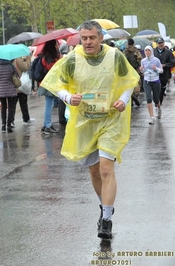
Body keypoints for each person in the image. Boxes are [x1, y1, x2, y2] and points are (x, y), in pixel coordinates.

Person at [41, 20, 139, 239]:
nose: (87, 42)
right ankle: (105, 205)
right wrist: (69, 97)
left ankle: (106, 219)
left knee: (106, 169)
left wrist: (123, 100)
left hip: (111, 120)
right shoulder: (73, 59)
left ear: (101, 37)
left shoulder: (115, 56)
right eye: (84, 38)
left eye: (92, 38)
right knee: (94, 171)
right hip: (86, 121)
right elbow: (58, 85)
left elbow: (128, 82)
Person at [37, 39, 62, 135]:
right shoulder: (54, 57)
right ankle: (47, 125)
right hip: (51, 83)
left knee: (49, 104)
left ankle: (47, 124)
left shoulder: (44, 57)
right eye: (56, 44)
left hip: (45, 82)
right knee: (49, 105)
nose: (57, 46)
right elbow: (58, 68)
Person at [0, 58, 18, 133]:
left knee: (3, 107)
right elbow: (16, 75)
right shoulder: (11, 66)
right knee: (11, 108)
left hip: (1, 90)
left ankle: (3, 125)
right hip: (10, 90)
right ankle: (9, 125)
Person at [140, 46, 163, 124]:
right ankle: (152, 117)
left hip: (155, 81)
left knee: (156, 99)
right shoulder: (143, 61)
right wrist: (141, 70)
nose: (147, 52)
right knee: (149, 98)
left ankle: (159, 108)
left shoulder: (156, 60)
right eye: (146, 50)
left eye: (149, 50)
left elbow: (161, 71)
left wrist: (156, 68)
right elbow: (143, 71)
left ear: (151, 51)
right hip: (146, 81)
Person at [13, 55, 35, 125]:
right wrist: (28, 59)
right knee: (23, 103)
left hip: (13, 84)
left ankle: (11, 121)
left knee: (13, 104)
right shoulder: (18, 58)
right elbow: (25, 67)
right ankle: (26, 119)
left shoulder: (10, 58)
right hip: (20, 83)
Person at [153, 37, 175, 107]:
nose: (160, 44)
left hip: (165, 74)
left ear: (164, 43)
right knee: (155, 89)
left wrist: (165, 65)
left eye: (161, 43)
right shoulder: (153, 52)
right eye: (159, 43)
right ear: (157, 44)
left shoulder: (168, 52)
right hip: (155, 74)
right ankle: (156, 103)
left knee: (162, 89)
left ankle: (159, 103)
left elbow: (173, 62)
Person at [123, 38, 142, 107]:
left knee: (129, 85)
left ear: (128, 43)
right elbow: (139, 60)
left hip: (128, 71)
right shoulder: (136, 51)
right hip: (135, 70)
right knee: (137, 84)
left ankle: (131, 99)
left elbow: (123, 61)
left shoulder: (125, 51)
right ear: (133, 43)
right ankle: (135, 97)